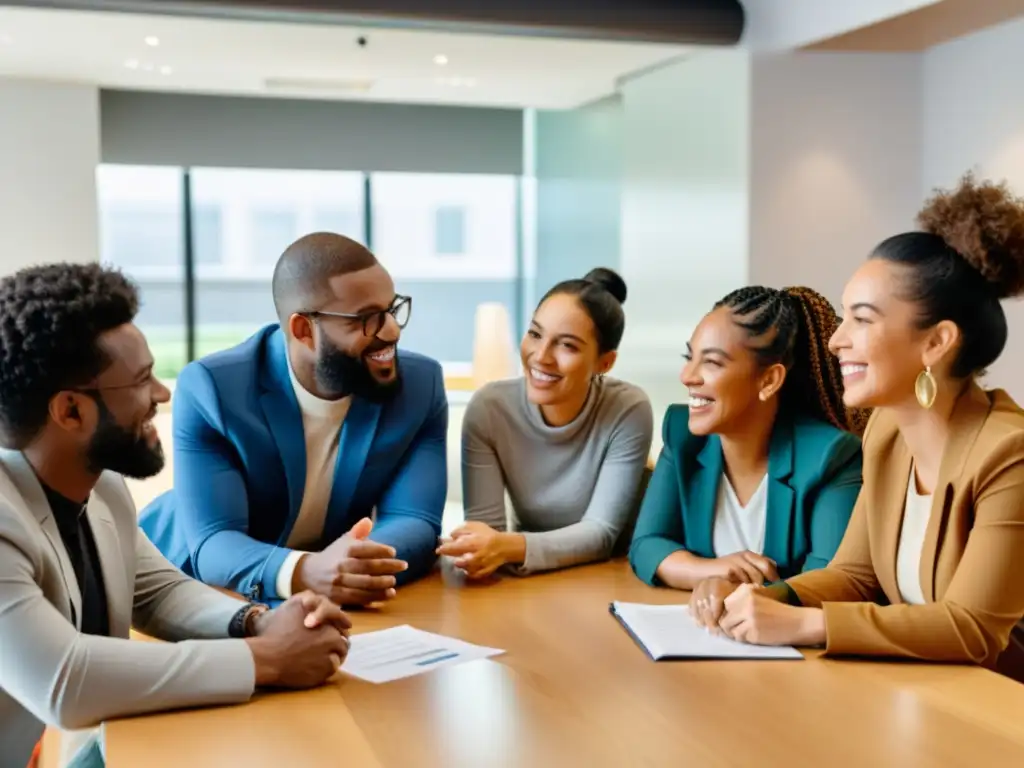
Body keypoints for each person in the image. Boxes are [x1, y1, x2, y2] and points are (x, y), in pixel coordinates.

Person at [0, 263, 351, 768]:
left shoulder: (103, 486)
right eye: (142, 380)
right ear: (71, 412)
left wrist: (259, 622)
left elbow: (157, 590)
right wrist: (269, 659)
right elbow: (65, 681)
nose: (162, 395)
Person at [698, 174, 1024, 680]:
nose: (835, 341)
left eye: (863, 320)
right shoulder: (886, 433)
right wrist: (762, 597)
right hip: (925, 695)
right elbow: (854, 575)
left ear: (936, 343)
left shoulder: (1011, 454)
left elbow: (972, 630)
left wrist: (805, 625)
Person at [139, 233, 447, 607]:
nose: (392, 331)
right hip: (187, 589)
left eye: (392, 309)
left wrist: (353, 566)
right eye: (367, 319)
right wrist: (305, 572)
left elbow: (415, 519)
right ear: (303, 330)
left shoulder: (420, 385)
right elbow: (216, 542)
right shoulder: (215, 390)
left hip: (326, 601)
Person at [630, 285, 867, 595]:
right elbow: (647, 544)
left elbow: (830, 581)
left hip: (790, 640)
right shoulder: (683, 434)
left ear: (768, 380)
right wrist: (707, 572)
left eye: (712, 363)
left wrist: (741, 595)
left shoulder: (831, 456)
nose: (687, 376)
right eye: (690, 357)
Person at [437, 268, 653, 578]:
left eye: (567, 345)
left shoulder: (628, 409)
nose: (541, 356)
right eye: (535, 334)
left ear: (604, 363)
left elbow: (601, 534)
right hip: (528, 578)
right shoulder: (490, 409)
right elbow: (487, 537)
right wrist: (483, 549)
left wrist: (506, 547)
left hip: (611, 576)